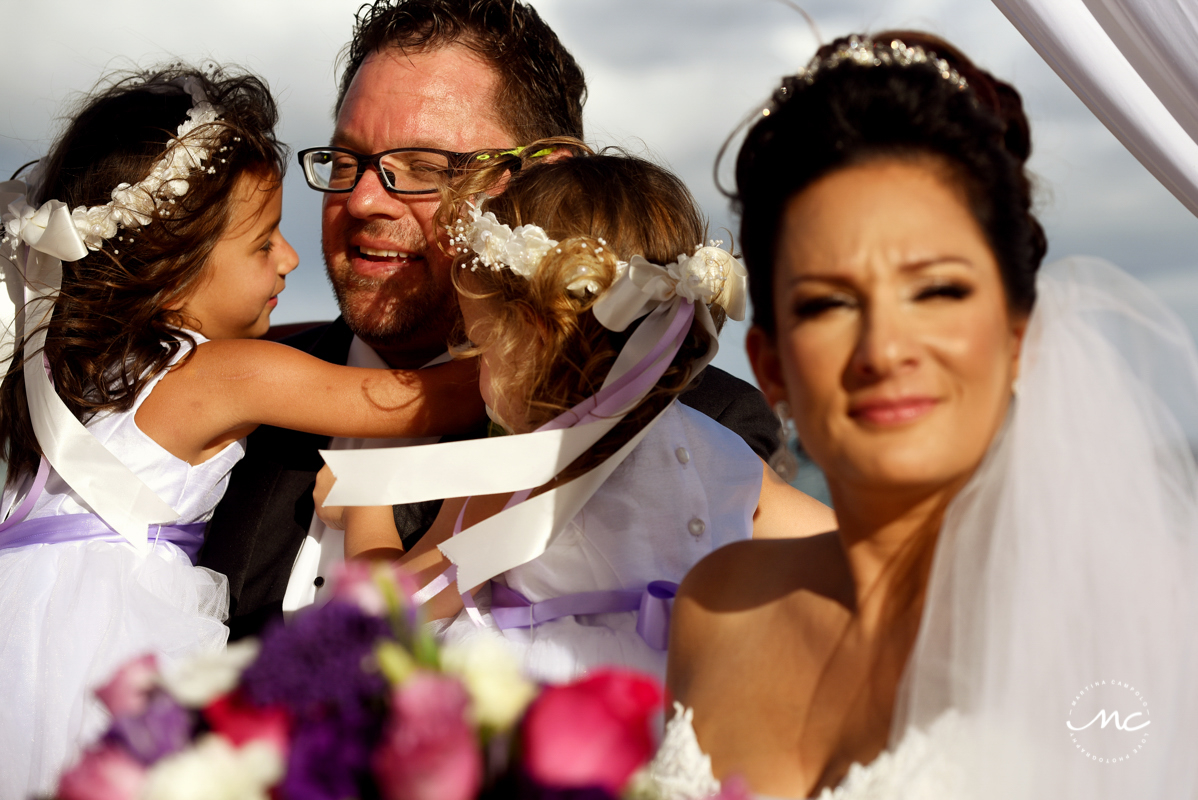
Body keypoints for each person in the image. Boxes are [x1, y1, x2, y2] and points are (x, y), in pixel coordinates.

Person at [649, 32, 1198, 799]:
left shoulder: (1121, 629)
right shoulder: (718, 604)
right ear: (770, 365)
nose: (884, 348)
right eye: (829, 303)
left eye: (937, 290)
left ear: (1019, 336)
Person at [199, 0, 782, 641]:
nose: (362, 200)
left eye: (424, 169)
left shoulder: (695, 428)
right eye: (346, 162)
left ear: (549, 183)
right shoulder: (233, 391)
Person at [0, 66, 481, 799]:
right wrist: (533, 334)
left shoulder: (53, 363)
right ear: (170, 272)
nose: (290, 259)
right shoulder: (218, 373)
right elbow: (410, 400)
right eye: (263, 245)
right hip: (108, 640)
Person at [317, 143, 836, 684]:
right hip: (703, 694)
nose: (476, 368)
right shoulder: (723, 452)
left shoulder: (526, 469)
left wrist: (365, 509)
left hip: (565, 711)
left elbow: (387, 617)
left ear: (531, 338)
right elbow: (846, 553)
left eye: (480, 344)